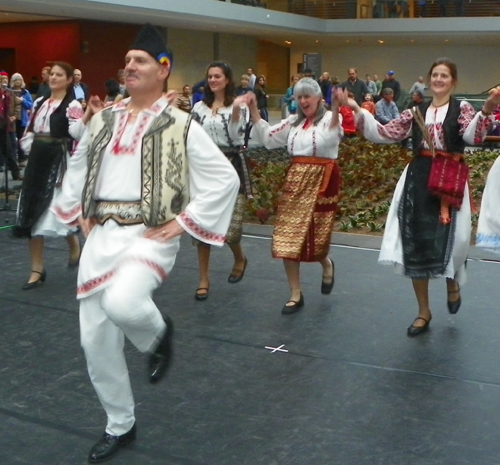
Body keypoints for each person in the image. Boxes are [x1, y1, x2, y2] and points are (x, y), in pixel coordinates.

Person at [52, 25, 239, 463]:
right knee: (94, 342)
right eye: (128, 60)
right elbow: (78, 165)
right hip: (102, 236)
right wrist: (78, 211)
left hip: (148, 236)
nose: (129, 66)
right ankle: (120, 425)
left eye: (139, 60)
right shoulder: (104, 120)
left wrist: (184, 222)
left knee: (123, 304)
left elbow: (223, 179)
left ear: (163, 69)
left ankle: (158, 334)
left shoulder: (180, 124)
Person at [345, 57, 500, 336]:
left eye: (445, 76)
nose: (439, 80)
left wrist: (486, 110)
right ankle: (423, 311)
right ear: (429, 80)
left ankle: (452, 280)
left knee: (457, 240)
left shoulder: (461, 108)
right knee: (415, 241)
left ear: (453, 81)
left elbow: (472, 137)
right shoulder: (415, 111)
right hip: (419, 178)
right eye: (435, 75)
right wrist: (357, 108)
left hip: (450, 179)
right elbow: (385, 132)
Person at [244, 78, 343, 314]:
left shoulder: (329, 119)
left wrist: (337, 108)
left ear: (319, 98)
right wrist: (253, 109)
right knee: (287, 236)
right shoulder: (293, 122)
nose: (303, 101)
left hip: (322, 179)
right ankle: (295, 293)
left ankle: (326, 263)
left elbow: (331, 137)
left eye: (307, 96)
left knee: (313, 235)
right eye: (299, 97)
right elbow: (268, 138)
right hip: (296, 179)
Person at [14, 62, 92, 289]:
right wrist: (30, 145)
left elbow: (76, 132)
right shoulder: (39, 102)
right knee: (32, 213)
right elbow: (30, 129)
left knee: (58, 212)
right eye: (52, 74)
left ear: (69, 80)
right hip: (37, 161)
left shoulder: (72, 105)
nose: (54, 78)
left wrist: (86, 115)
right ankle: (37, 268)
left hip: (57, 163)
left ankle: (73, 243)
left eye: (59, 75)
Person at [191, 61, 249, 301]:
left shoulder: (238, 105)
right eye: (210, 76)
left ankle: (239, 257)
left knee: (231, 230)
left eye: (217, 76)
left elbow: (237, 136)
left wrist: (235, 110)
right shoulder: (199, 107)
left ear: (227, 80)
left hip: (231, 167)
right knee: (201, 226)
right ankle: (204, 278)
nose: (213, 80)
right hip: (205, 170)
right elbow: (190, 135)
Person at [10, 73, 33, 165]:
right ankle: (13, 161)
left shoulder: (26, 92)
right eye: (15, 80)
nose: (17, 82)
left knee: (21, 139)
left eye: (19, 79)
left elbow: (31, 105)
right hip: (11, 119)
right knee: (11, 141)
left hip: (22, 119)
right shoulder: (9, 91)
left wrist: (22, 100)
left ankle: (21, 158)